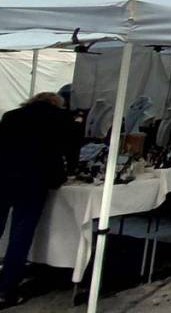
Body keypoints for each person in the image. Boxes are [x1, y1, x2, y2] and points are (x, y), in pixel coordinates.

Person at [0, 92, 80, 307]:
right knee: (20, 235)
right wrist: (68, 171)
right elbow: (71, 151)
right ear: (56, 104)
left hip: (3, 177)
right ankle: (6, 290)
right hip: (34, 181)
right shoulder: (62, 119)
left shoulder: (11, 116)